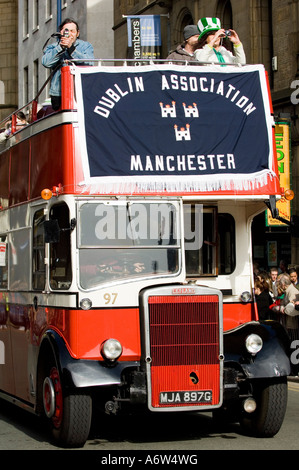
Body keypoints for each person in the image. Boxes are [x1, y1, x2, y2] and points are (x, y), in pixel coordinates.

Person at [42, 18, 94, 110]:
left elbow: (89, 62)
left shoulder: (86, 46)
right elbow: (46, 62)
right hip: (58, 92)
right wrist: (60, 48)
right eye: (66, 31)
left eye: (72, 31)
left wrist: (71, 49)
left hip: (80, 89)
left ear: (77, 33)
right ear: (61, 32)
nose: (69, 34)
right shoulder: (52, 47)